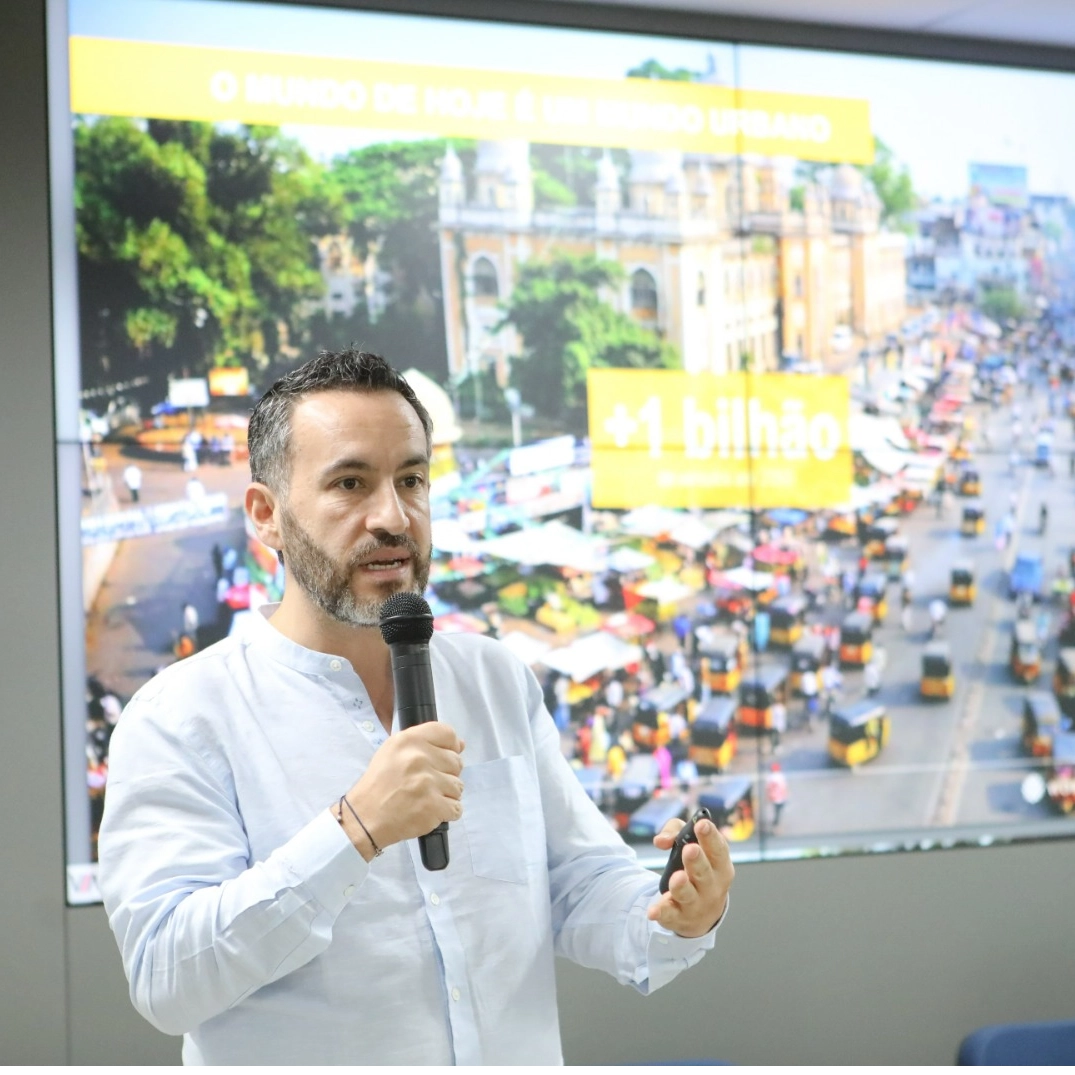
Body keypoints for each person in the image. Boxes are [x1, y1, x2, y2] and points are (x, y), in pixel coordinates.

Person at [97, 349, 733, 1071]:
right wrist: (354, 829)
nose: (392, 516)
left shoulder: (494, 677)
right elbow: (166, 979)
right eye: (349, 482)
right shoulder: (179, 715)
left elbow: (578, 881)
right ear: (265, 515)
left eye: (411, 480)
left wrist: (675, 910)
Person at [765, 762, 788, 831]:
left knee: (775, 810)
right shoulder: (780, 776)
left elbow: (767, 788)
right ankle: (776, 823)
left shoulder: (769, 777)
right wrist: (785, 794)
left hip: (773, 797)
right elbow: (783, 787)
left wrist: (768, 796)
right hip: (779, 797)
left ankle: (775, 822)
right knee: (778, 810)